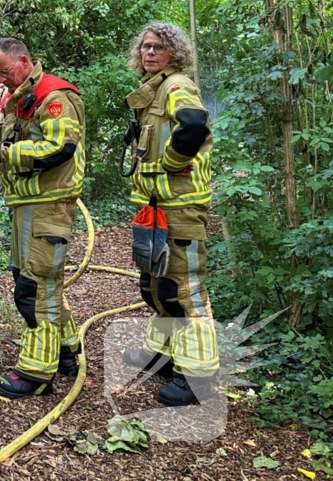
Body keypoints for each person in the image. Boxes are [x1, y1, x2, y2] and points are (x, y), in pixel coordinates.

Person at [0, 38, 85, 398]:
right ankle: (67, 353)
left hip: (48, 204)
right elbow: (18, 145)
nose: (1, 80)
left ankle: (36, 375)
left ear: (23, 61)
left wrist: (4, 152)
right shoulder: (17, 97)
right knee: (34, 279)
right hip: (27, 203)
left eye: (5, 72)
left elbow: (59, 148)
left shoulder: (54, 96)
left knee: (34, 288)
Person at [121, 21, 218, 406]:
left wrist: (173, 161)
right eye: (145, 46)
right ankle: (161, 355)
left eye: (158, 47)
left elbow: (193, 126)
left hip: (180, 207)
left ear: (174, 53)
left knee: (184, 290)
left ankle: (197, 378)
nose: (149, 52)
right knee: (156, 285)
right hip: (156, 205)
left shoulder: (177, 86)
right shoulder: (156, 90)